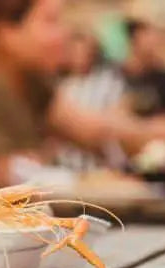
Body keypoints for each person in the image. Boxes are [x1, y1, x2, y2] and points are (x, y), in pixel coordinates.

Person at [0, 0, 165, 187]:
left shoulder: (31, 82)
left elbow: (94, 130)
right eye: (51, 21)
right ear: (5, 31)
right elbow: (16, 178)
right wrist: (101, 185)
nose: (64, 34)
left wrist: (161, 133)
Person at [56, 32, 128, 172]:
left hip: (102, 162)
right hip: (66, 164)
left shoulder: (109, 82)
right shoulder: (60, 85)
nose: (79, 56)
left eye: (84, 51)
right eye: (74, 50)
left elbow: (117, 117)